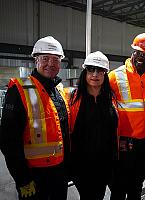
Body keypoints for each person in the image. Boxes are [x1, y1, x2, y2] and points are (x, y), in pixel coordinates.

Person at [0, 36, 70, 200]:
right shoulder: (19, 90)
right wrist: (22, 179)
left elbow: (64, 132)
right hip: (34, 176)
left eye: (55, 59)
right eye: (45, 58)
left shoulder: (59, 90)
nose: (51, 64)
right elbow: (9, 141)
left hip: (59, 173)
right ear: (35, 60)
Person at [109, 33, 145, 199]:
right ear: (132, 52)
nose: (141, 57)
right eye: (138, 52)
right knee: (119, 188)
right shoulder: (114, 76)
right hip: (124, 143)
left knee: (136, 186)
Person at [68, 51, 118, 199]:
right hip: (81, 165)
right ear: (85, 72)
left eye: (100, 70)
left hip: (105, 164)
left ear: (105, 74)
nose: (95, 74)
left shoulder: (111, 99)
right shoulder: (73, 99)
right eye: (91, 69)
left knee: (99, 195)